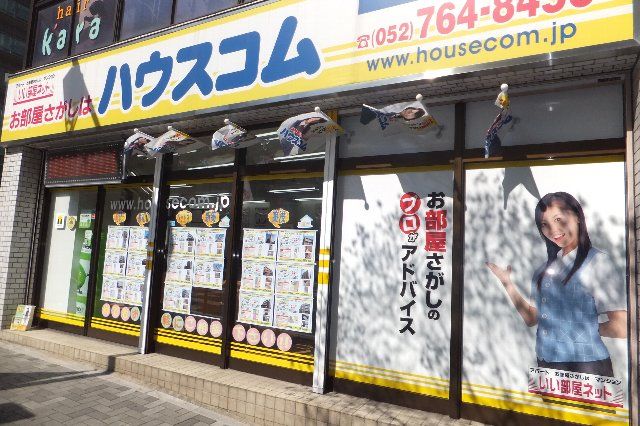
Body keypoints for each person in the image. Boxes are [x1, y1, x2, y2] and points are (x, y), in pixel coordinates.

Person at [486, 192, 626, 377]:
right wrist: (507, 283)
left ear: (577, 216)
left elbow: (622, 326)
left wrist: (583, 329)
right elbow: (532, 318)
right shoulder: (543, 271)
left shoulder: (599, 263)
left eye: (558, 219)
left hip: (586, 366)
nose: (553, 230)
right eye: (544, 224)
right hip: (546, 364)